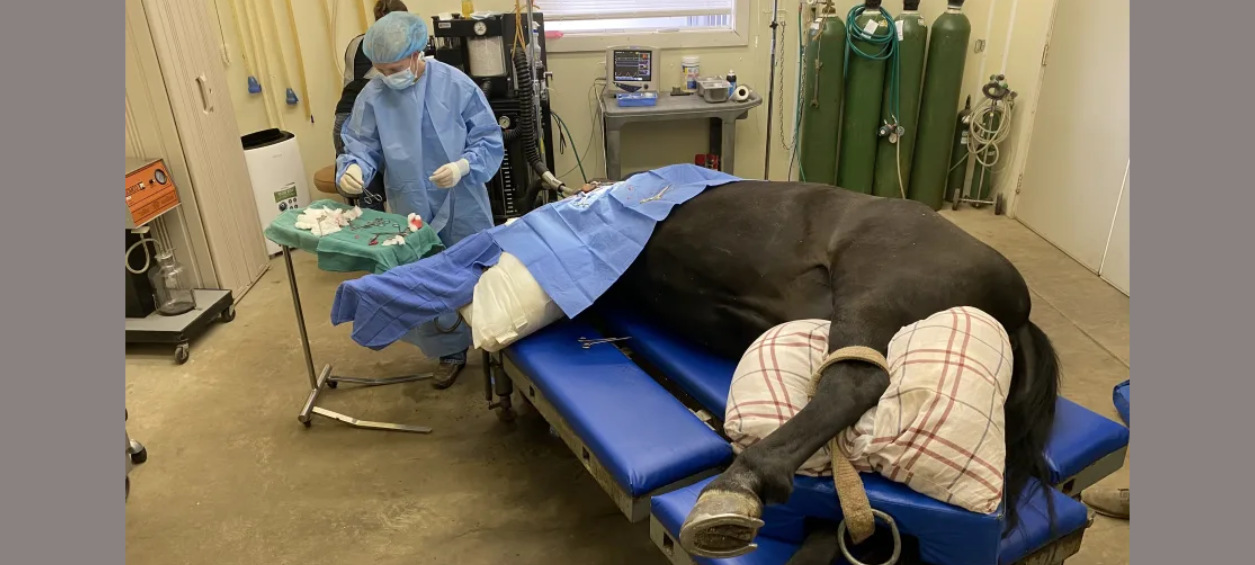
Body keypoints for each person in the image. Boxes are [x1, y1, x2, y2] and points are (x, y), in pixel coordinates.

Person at [336, 11, 505, 389]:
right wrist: (354, 169)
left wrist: (463, 165)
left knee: (477, 273)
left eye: (395, 68)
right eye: (381, 70)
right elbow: (361, 145)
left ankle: (500, 351)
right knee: (428, 279)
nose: (388, 77)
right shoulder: (373, 95)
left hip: (463, 203)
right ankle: (450, 351)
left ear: (417, 54)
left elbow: (488, 139)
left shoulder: (456, 85)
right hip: (411, 203)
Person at [331, 0, 408, 211]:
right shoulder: (396, 47)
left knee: (364, 184)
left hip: (344, 115)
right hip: (363, 118)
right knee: (370, 184)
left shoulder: (357, 42)